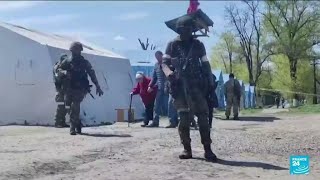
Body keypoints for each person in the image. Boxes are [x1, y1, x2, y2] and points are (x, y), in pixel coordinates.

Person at [161, 15, 217, 161]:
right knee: (184, 119)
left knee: (203, 118)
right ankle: (187, 149)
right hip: (179, 87)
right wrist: (170, 73)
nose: (189, 32)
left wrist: (210, 83)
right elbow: (164, 63)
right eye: (186, 29)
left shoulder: (198, 44)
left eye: (191, 29)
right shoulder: (172, 44)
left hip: (197, 86)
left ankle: (208, 149)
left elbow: (205, 64)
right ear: (180, 30)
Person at [57, 42, 104, 135]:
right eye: (73, 50)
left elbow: (92, 74)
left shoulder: (84, 62)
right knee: (69, 107)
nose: (74, 52)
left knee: (75, 106)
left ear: (80, 51)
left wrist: (98, 86)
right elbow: (58, 69)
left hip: (80, 88)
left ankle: (72, 127)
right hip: (69, 87)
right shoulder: (67, 61)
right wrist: (64, 72)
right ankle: (77, 123)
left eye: (76, 50)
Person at [147, 51, 169, 127]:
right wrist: (150, 86)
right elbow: (154, 77)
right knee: (157, 106)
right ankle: (155, 121)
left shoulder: (166, 64)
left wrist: (163, 65)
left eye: (158, 56)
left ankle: (173, 121)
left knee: (169, 105)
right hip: (160, 88)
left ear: (162, 56)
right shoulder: (156, 65)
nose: (157, 58)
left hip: (168, 88)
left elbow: (169, 75)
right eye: (156, 56)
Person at [53, 54, 69, 128]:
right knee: (61, 105)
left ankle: (62, 122)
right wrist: (65, 72)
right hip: (60, 89)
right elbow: (58, 74)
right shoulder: (57, 66)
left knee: (65, 106)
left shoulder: (64, 66)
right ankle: (57, 122)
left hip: (64, 88)